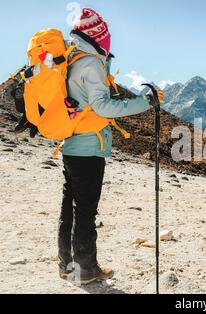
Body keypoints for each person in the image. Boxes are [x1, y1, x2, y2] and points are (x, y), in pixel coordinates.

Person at [58, 8, 163, 285]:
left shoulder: (72, 57)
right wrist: (144, 102)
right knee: (85, 212)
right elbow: (103, 106)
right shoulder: (90, 63)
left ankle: (66, 266)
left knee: (70, 206)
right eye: (105, 36)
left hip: (71, 143)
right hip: (89, 146)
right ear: (98, 36)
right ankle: (87, 269)